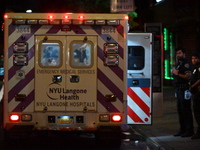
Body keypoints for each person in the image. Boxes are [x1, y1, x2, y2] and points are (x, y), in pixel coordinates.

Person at [172, 47, 194, 137]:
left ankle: (189, 130)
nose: (178, 55)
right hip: (178, 89)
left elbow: (188, 77)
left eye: (180, 53)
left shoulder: (186, 64)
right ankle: (182, 129)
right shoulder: (179, 64)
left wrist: (178, 74)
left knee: (186, 111)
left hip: (184, 89)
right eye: (177, 53)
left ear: (184, 54)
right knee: (180, 111)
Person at [189, 51, 200, 139]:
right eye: (192, 58)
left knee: (198, 112)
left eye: (195, 58)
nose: (193, 60)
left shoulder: (199, 68)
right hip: (195, 93)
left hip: (198, 93)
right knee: (196, 112)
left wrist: (192, 86)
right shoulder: (194, 68)